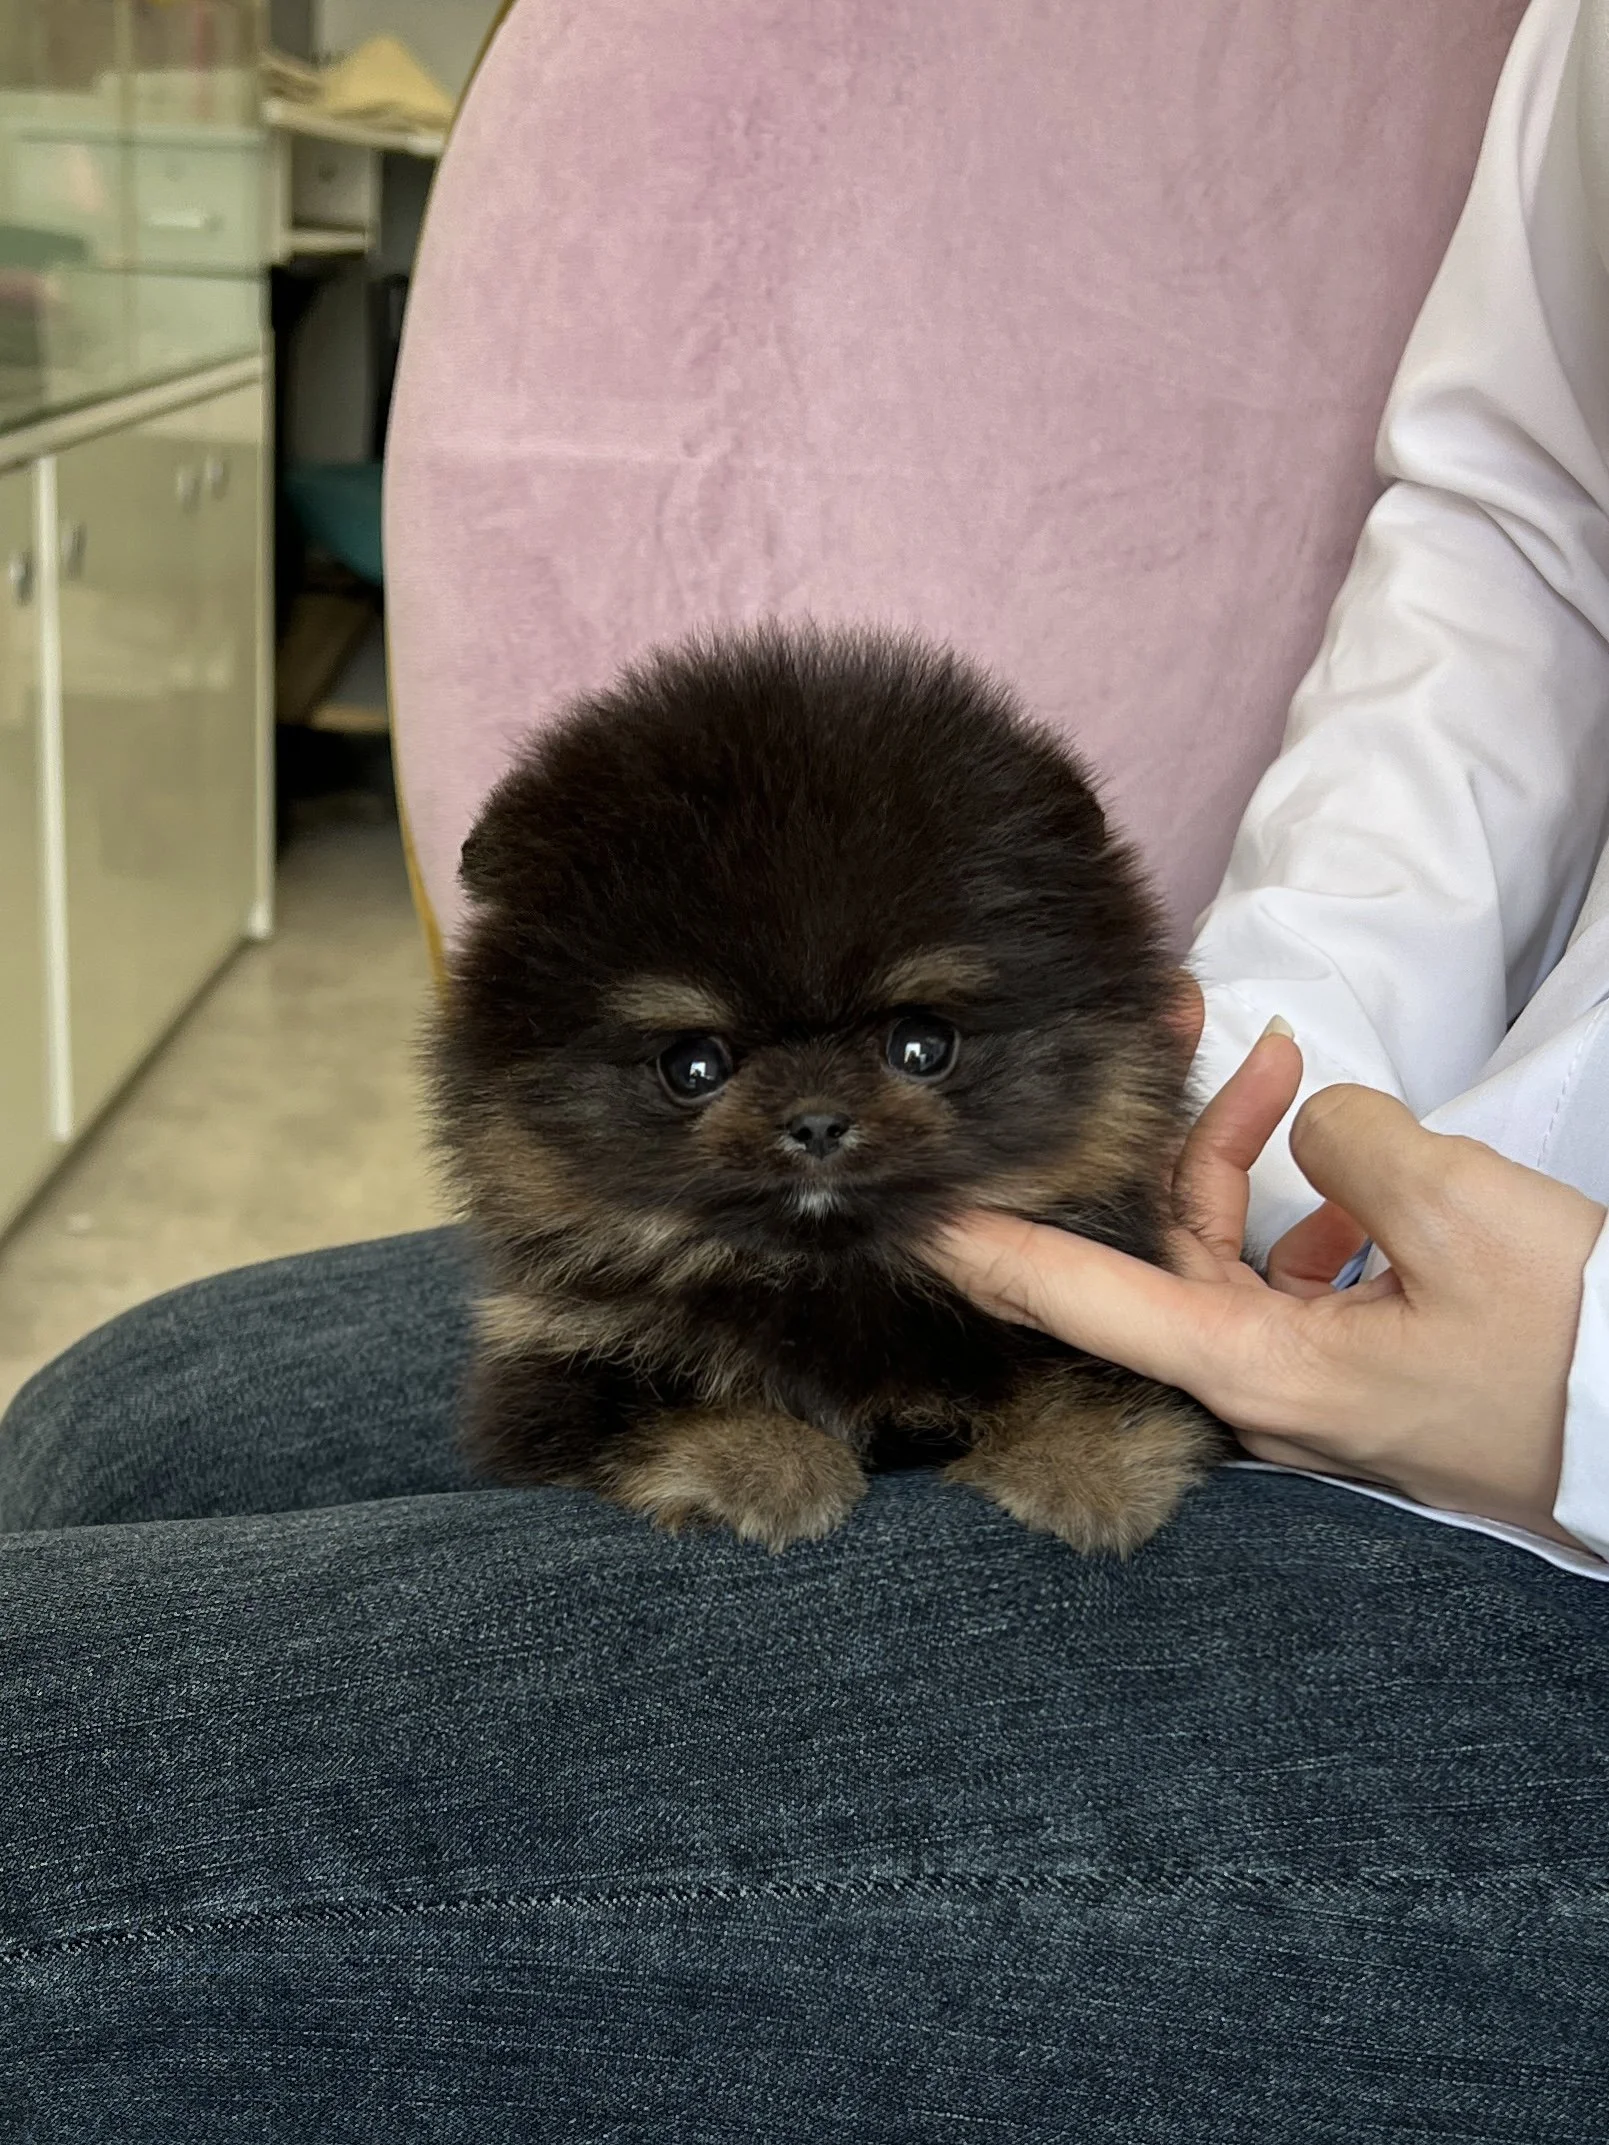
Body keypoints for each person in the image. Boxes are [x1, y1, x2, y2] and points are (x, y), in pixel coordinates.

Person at [4, 1, 1609, 2133]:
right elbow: (1526, 528)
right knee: (125, 1412)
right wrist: (1305, 1094)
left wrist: (1580, 1397)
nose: (827, 1113)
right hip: (1446, 1254)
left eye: (918, 1041)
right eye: (701, 1069)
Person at [934, 0, 1609, 1581]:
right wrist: (1273, 1073)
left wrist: (1584, 1393)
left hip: (1560, 1530)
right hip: (1381, 1290)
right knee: (223, 1407)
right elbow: (1536, 517)